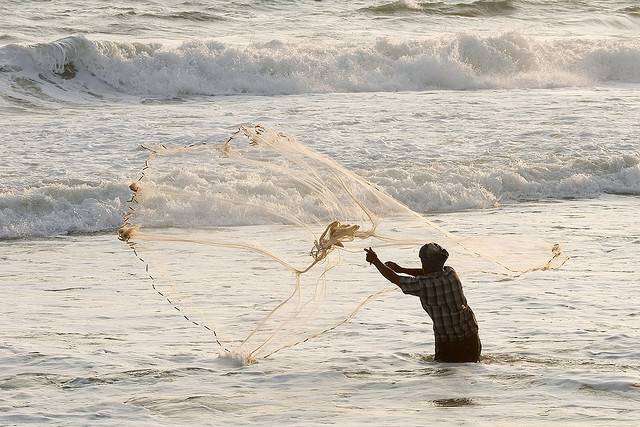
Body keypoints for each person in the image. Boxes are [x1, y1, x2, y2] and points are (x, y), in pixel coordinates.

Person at [364, 243, 481, 362]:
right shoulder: (451, 273)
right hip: (471, 337)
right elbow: (428, 273)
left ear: (427, 263)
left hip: (449, 342)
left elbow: (395, 279)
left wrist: (375, 261)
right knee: (469, 371)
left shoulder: (423, 285)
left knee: (446, 376)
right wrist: (401, 269)